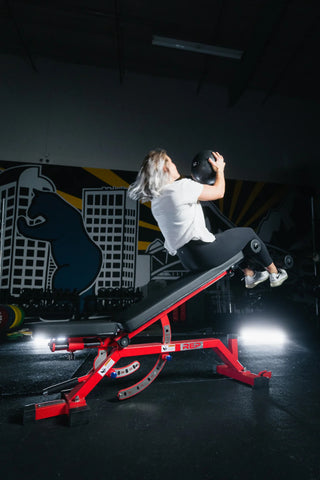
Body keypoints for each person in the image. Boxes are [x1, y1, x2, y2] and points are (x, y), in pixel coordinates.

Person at [128, 149, 288, 288]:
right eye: (171, 161)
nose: (175, 164)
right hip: (205, 254)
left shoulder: (157, 201)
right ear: (165, 167)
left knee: (227, 241)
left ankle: (250, 275)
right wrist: (220, 169)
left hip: (188, 260)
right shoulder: (181, 187)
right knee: (248, 235)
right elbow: (219, 192)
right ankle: (275, 274)